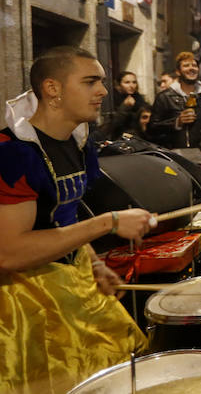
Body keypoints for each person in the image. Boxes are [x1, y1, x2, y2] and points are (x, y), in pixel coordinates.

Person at [0, 46, 154, 392]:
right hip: (22, 306)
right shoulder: (14, 154)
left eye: (101, 81)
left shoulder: (78, 143)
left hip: (70, 279)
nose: (102, 91)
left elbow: (63, 218)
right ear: (52, 89)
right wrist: (108, 222)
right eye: (90, 82)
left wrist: (95, 264)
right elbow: (8, 252)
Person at [148, 52, 201, 175]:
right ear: (178, 71)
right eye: (186, 65)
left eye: (194, 65)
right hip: (175, 158)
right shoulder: (164, 97)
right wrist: (177, 122)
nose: (191, 68)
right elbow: (152, 129)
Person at [102, 71, 149, 139]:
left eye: (134, 82)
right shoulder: (111, 99)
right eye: (127, 82)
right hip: (118, 138)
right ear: (118, 85)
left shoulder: (138, 98)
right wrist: (124, 107)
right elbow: (111, 125)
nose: (131, 85)